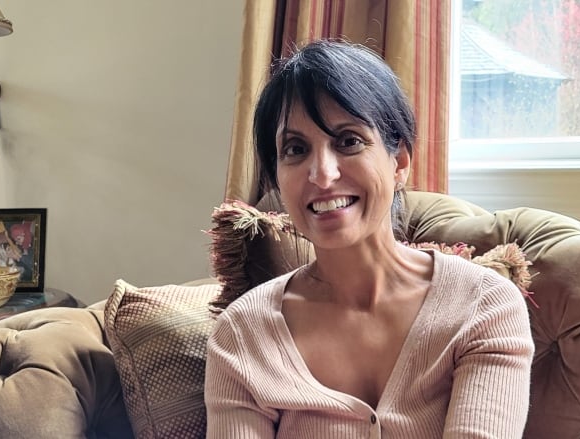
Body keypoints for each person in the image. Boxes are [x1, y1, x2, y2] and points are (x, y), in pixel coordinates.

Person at [205, 40, 534, 438]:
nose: (322, 175)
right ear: (277, 178)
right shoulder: (242, 335)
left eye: (348, 141)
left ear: (399, 163)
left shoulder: (485, 305)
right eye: (295, 149)